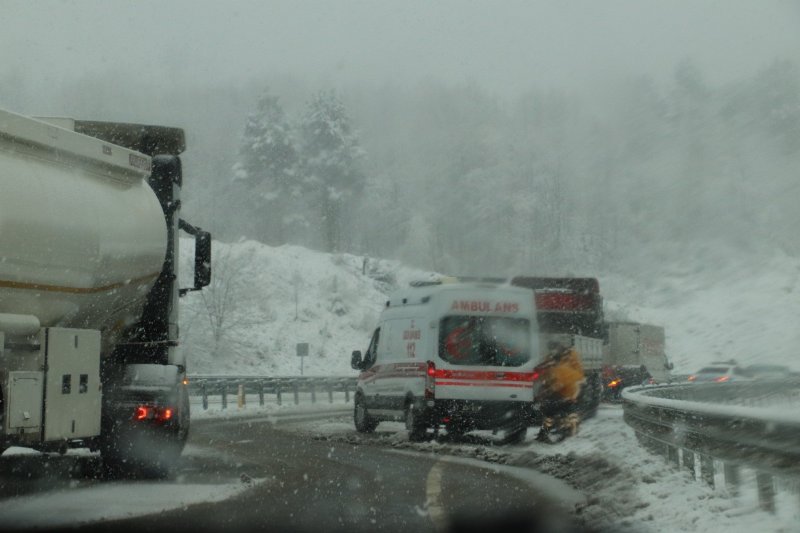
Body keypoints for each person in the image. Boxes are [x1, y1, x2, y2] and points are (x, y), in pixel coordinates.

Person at [535, 340, 586, 441]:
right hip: (568, 390)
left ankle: (557, 431)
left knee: (552, 411)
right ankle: (566, 429)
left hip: (567, 391)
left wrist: (547, 391)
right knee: (564, 411)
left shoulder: (563, 365)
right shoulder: (561, 362)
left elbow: (560, 382)